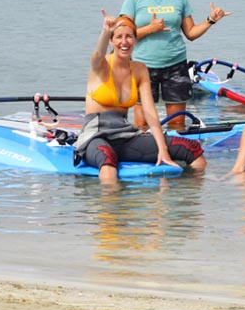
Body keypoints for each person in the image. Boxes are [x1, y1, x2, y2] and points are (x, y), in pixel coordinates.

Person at [77, 12, 206, 183]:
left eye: (129, 36)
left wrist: (163, 150)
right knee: (108, 163)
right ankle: (111, 206)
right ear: (111, 41)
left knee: (191, 148)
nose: (124, 42)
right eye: (119, 37)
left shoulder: (139, 69)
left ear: (136, 40)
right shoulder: (101, 65)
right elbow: (96, 56)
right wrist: (105, 32)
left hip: (125, 136)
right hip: (96, 136)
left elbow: (150, 112)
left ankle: (186, 203)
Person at [120, 0, 230, 130]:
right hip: (142, 67)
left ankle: (173, 155)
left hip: (175, 66)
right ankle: (144, 154)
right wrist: (150, 29)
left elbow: (191, 33)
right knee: (142, 122)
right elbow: (123, 36)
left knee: (177, 122)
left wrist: (211, 20)